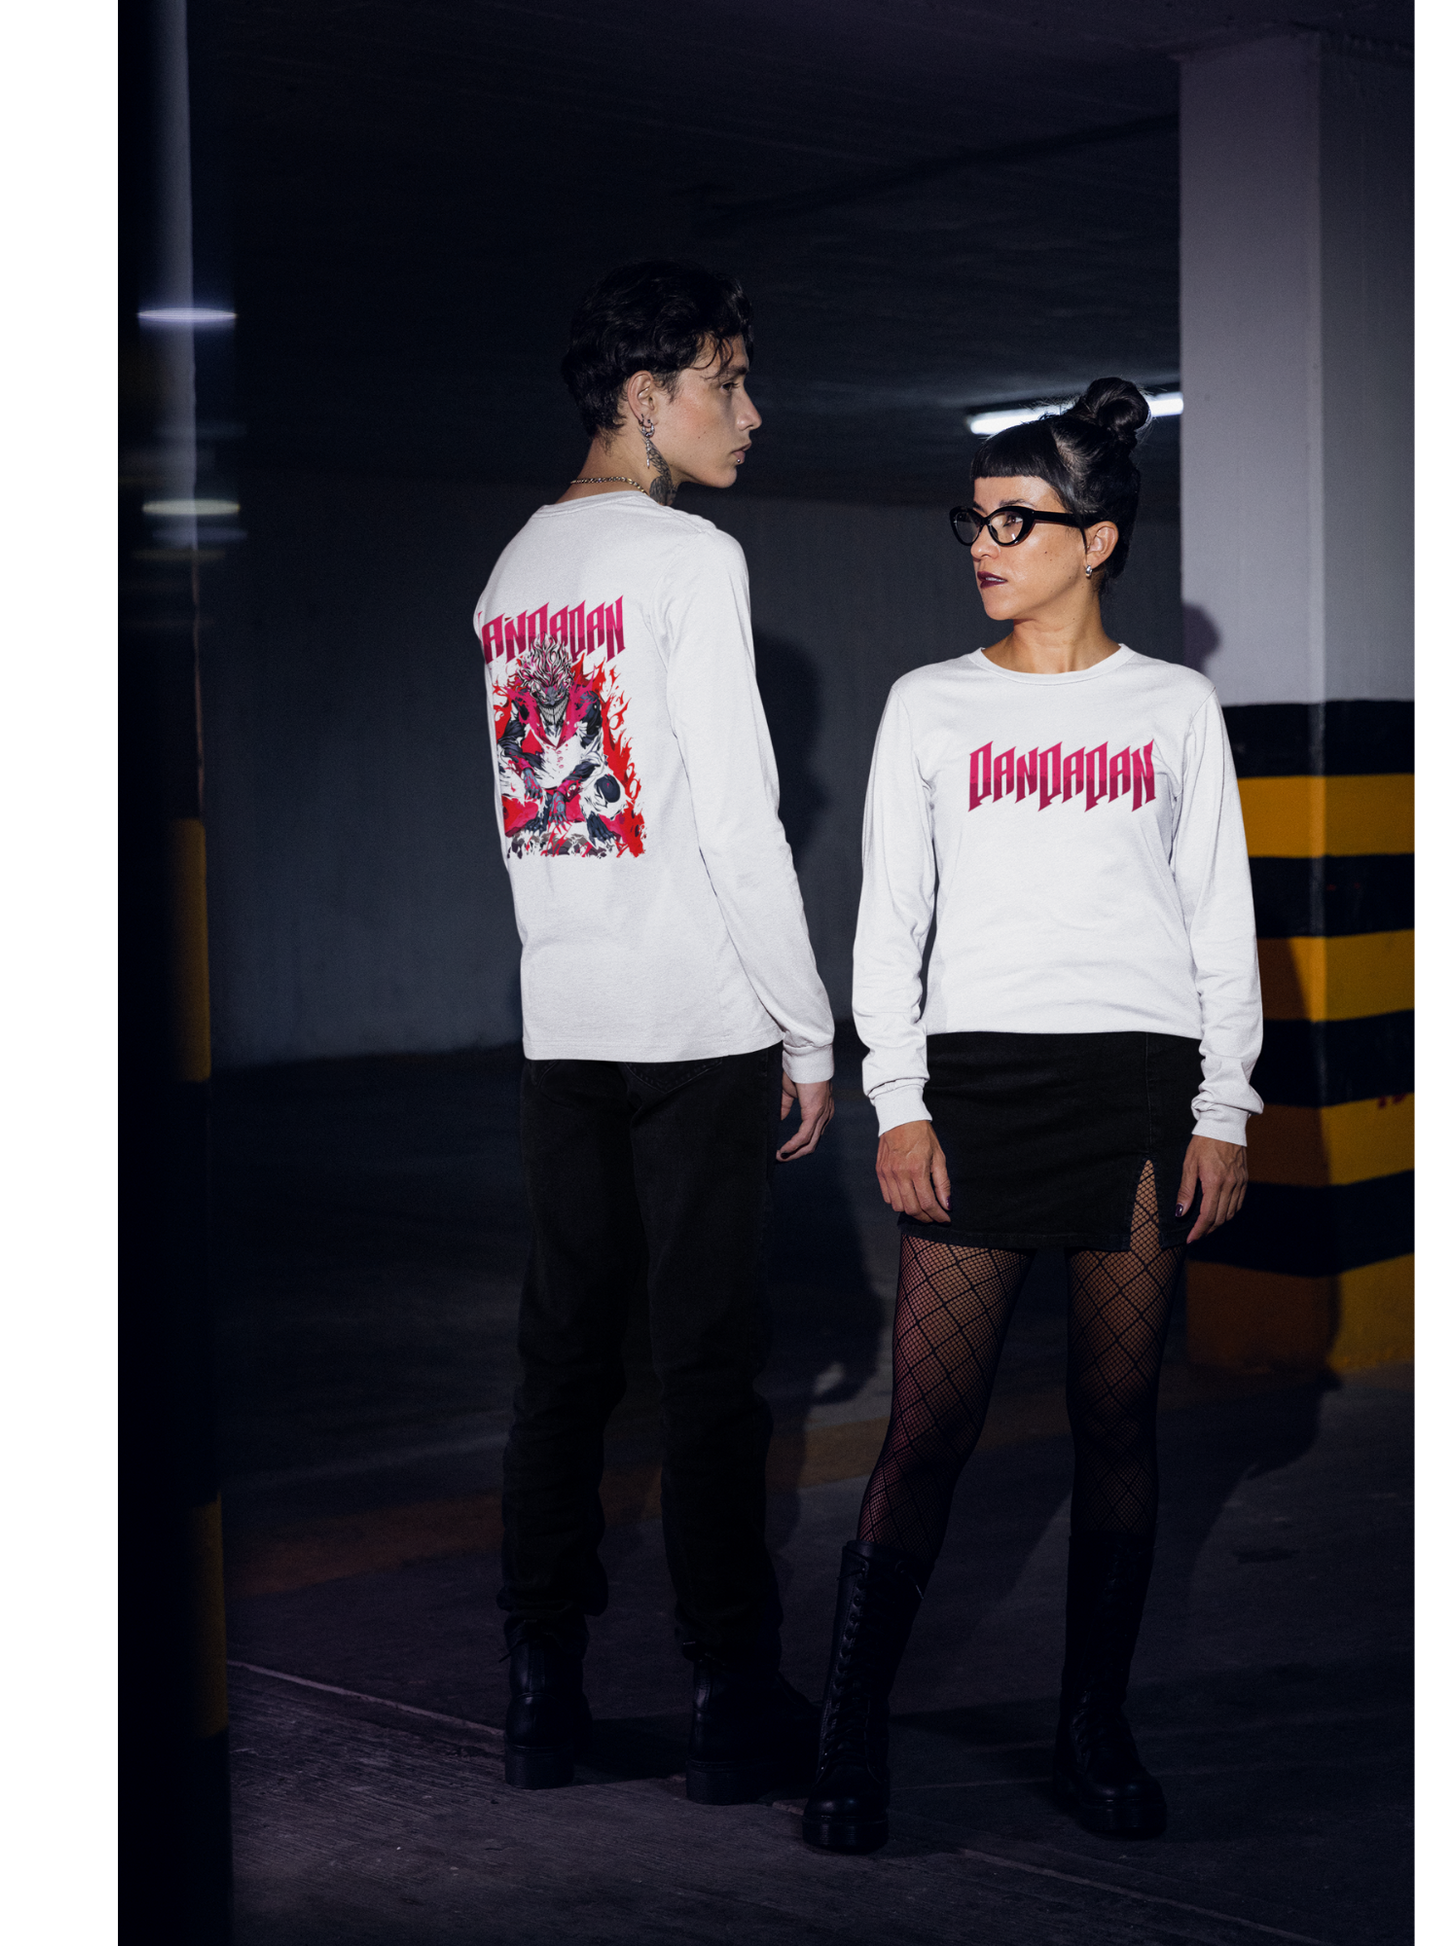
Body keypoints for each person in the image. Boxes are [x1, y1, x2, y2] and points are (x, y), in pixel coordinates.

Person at [801, 379, 1263, 1853]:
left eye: (1017, 522)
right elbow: (889, 924)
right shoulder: (930, 704)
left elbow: (1219, 922)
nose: (985, 547)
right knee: (926, 1428)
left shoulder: (1173, 707)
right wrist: (898, 1100)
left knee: (1115, 1417)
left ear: (1097, 539)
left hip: (1137, 1091)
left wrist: (1223, 1108)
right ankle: (848, 1734)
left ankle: (1090, 1726)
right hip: (981, 1093)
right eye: (976, 521)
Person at [474, 260, 836, 1804]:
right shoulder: (688, 559)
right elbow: (740, 825)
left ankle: (539, 1690)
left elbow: (534, 821)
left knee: (562, 1359)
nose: (750, 412)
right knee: (706, 1366)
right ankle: (730, 1692)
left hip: (564, 1024)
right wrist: (808, 1033)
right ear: (644, 394)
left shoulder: (510, 574)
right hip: (694, 1021)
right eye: (726, 381)